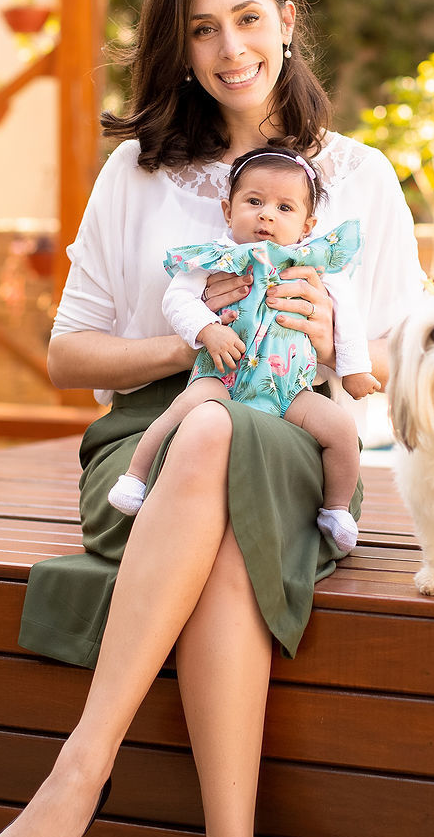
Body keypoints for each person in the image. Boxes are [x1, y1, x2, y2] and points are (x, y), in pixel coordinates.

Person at [0, 0, 424, 837]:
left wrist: (328, 339)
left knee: (225, 435)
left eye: (249, 19)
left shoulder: (360, 178)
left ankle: (82, 770)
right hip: (148, 442)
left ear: (287, 25)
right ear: (179, 48)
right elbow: (68, 354)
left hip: (292, 434)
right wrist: (190, 341)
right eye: (204, 29)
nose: (230, 49)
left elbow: (389, 376)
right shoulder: (137, 175)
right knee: (208, 434)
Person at [107, 143, 379, 553]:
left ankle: (336, 508)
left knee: (340, 427)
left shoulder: (314, 267)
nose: (267, 214)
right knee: (180, 411)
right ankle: (135, 477)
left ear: (308, 225)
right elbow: (177, 300)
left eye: (284, 207)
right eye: (254, 202)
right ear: (228, 211)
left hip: (288, 387)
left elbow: (348, 319)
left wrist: (353, 368)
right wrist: (206, 330)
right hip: (223, 378)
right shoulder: (217, 257)